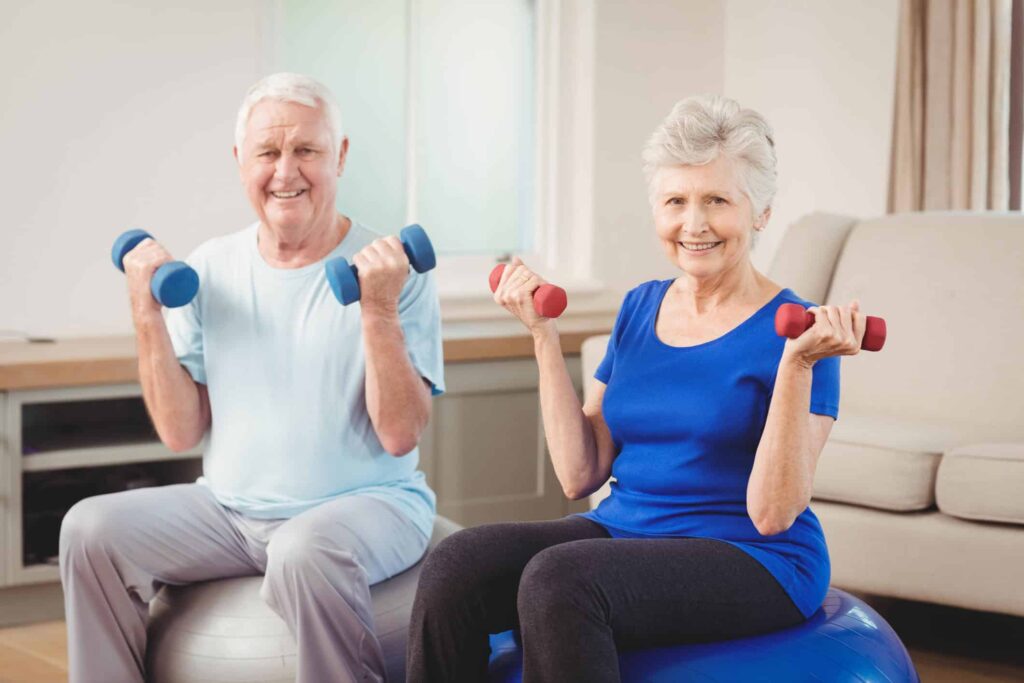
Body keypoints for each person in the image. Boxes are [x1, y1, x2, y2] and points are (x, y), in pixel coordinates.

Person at [406, 94, 865, 683]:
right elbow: (581, 473)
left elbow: (773, 514)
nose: (693, 225)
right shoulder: (639, 307)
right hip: (627, 529)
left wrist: (796, 366)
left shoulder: (802, 331)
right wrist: (542, 334)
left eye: (717, 201)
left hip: (755, 556)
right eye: (676, 201)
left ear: (761, 212)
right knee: (457, 564)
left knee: (559, 580)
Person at [59, 72, 444, 683]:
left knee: (303, 552)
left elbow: (400, 435)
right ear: (240, 160)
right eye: (267, 152)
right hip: (230, 512)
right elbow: (181, 433)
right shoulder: (212, 266)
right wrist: (145, 312)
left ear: (339, 156)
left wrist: (378, 308)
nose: (285, 172)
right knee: (88, 528)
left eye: (307, 150)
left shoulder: (392, 270)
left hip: (369, 506)